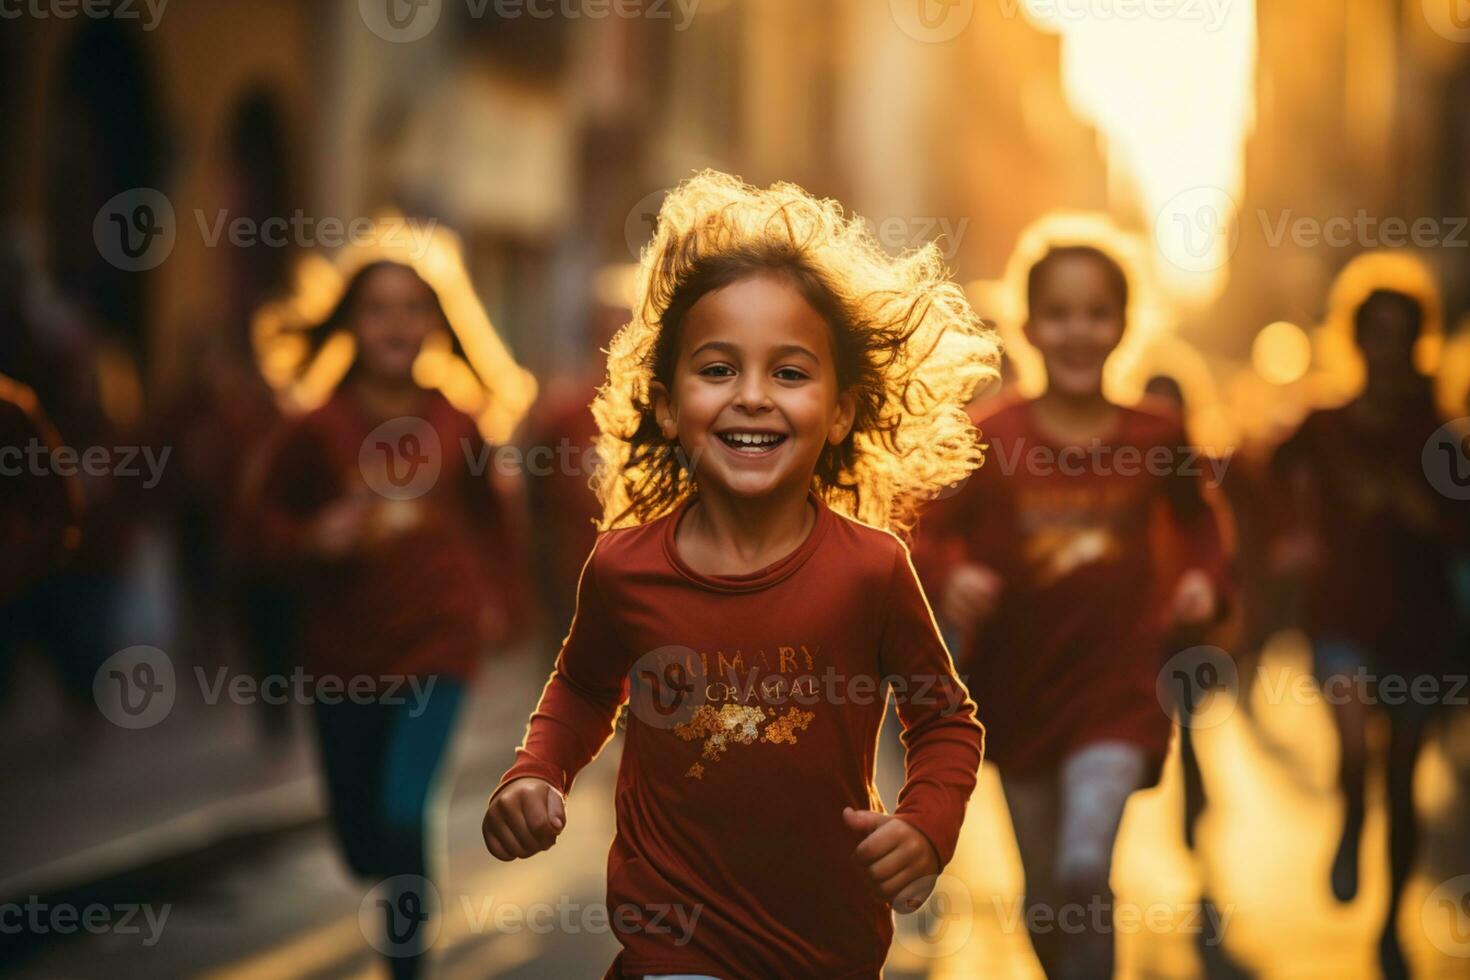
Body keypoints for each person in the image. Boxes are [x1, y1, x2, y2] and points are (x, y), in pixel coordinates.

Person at [482, 171, 998, 978]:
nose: (752, 397)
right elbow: (583, 689)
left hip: (827, 948)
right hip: (670, 945)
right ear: (665, 404)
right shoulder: (623, 568)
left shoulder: (872, 571)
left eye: (789, 374)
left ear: (840, 410)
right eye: (717, 370)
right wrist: (533, 772)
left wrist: (926, 826)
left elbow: (944, 722)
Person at [916, 245, 1230, 979]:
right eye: (1058, 315)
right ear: (1029, 326)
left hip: (1120, 691)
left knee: (1085, 861)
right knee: (1047, 895)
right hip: (1017, 695)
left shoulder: (1156, 433)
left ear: (1125, 324)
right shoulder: (990, 436)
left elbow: (1201, 523)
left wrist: (1203, 582)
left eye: (1096, 313)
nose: (1078, 331)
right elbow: (922, 527)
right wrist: (949, 572)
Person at [250, 260, 528, 978]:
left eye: (413, 308)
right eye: (379, 309)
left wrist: (501, 604)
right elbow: (251, 526)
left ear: (436, 324)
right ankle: (401, 871)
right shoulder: (315, 428)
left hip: (440, 645)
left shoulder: (456, 420)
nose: (398, 324)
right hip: (343, 657)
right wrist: (313, 538)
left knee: (405, 809)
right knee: (363, 844)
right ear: (350, 323)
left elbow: (496, 526)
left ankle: (407, 964)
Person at [1271, 284, 1466, 980]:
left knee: (1407, 778)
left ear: (1420, 342)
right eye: (1374, 333)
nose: (1387, 349)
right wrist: (1291, 535)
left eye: (1402, 334)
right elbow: (1260, 476)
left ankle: (1390, 921)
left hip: (1419, 628)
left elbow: (1461, 529)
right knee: (1355, 745)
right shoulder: (1323, 424)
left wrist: (1426, 517)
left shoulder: (1443, 434)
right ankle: (1353, 815)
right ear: (1355, 341)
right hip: (1340, 618)